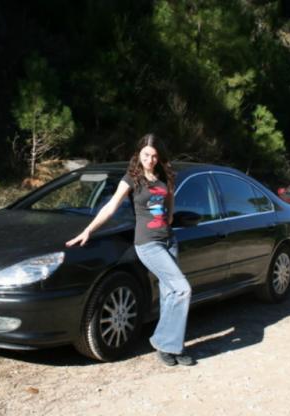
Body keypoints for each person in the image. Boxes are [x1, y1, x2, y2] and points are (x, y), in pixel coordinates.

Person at [66, 133, 194, 366]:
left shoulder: (164, 175)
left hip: (168, 240)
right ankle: (165, 342)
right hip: (148, 243)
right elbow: (110, 207)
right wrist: (88, 230)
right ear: (138, 154)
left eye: (155, 156)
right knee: (183, 289)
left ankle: (171, 348)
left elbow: (170, 196)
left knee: (169, 294)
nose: (151, 160)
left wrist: (171, 214)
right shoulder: (131, 178)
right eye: (146, 155)